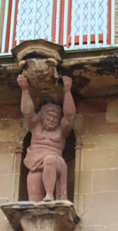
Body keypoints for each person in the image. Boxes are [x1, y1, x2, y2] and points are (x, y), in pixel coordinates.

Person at [17, 73, 76, 202]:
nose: (52, 120)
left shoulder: (61, 131)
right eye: (48, 117)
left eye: (55, 118)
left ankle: (50, 194)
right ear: (42, 118)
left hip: (56, 163)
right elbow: (27, 113)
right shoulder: (35, 127)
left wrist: (67, 91)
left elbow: (69, 116)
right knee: (33, 197)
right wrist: (25, 90)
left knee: (49, 160)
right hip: (35, 165)